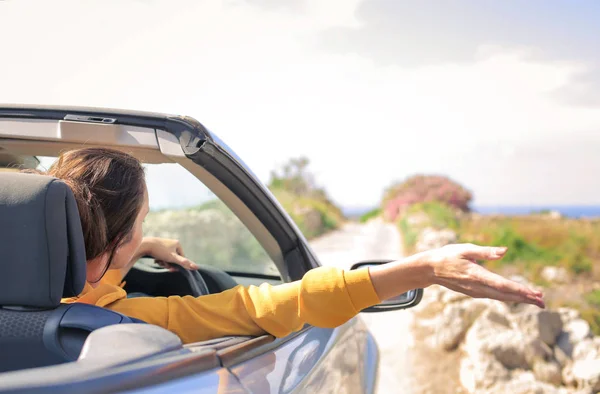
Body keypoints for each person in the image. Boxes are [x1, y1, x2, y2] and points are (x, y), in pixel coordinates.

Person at [30, 147, 544, 344]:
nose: (144, 234)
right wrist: (422, 270)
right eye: (141, 223)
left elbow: (91, 272)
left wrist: (143, 246)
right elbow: (269, 302)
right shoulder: (123, 324)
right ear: (116, 239)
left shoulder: (37, 290)